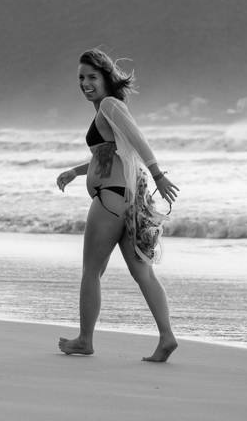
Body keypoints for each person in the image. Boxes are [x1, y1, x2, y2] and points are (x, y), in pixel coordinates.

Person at [55, 48, 179, 362]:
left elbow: (137, 139)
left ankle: (84, 340)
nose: (85, 83)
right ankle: (166, 338)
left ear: (107, 78)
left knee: (91, 271)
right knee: (143, 272)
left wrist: (158, 174)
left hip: (111, 198)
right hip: (124, 199)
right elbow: (111, 155)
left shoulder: (110, 105)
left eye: (92, 77)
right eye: (81, 77)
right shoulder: (106, 110)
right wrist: (75, 170)